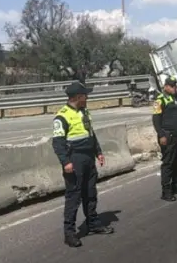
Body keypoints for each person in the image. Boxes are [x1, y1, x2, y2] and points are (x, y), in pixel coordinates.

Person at [51, 81, 114, 248]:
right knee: (74, 197)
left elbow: (90, 134)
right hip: (74, 159)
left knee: (90, 193)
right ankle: (69, 233)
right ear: (78, 97)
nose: (87, 98)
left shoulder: (84, 111)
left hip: (88, 158)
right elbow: (57, 143)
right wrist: (65, 162)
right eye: (85, 95)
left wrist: (98, 152)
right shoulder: (62, 117)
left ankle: (93, 223)